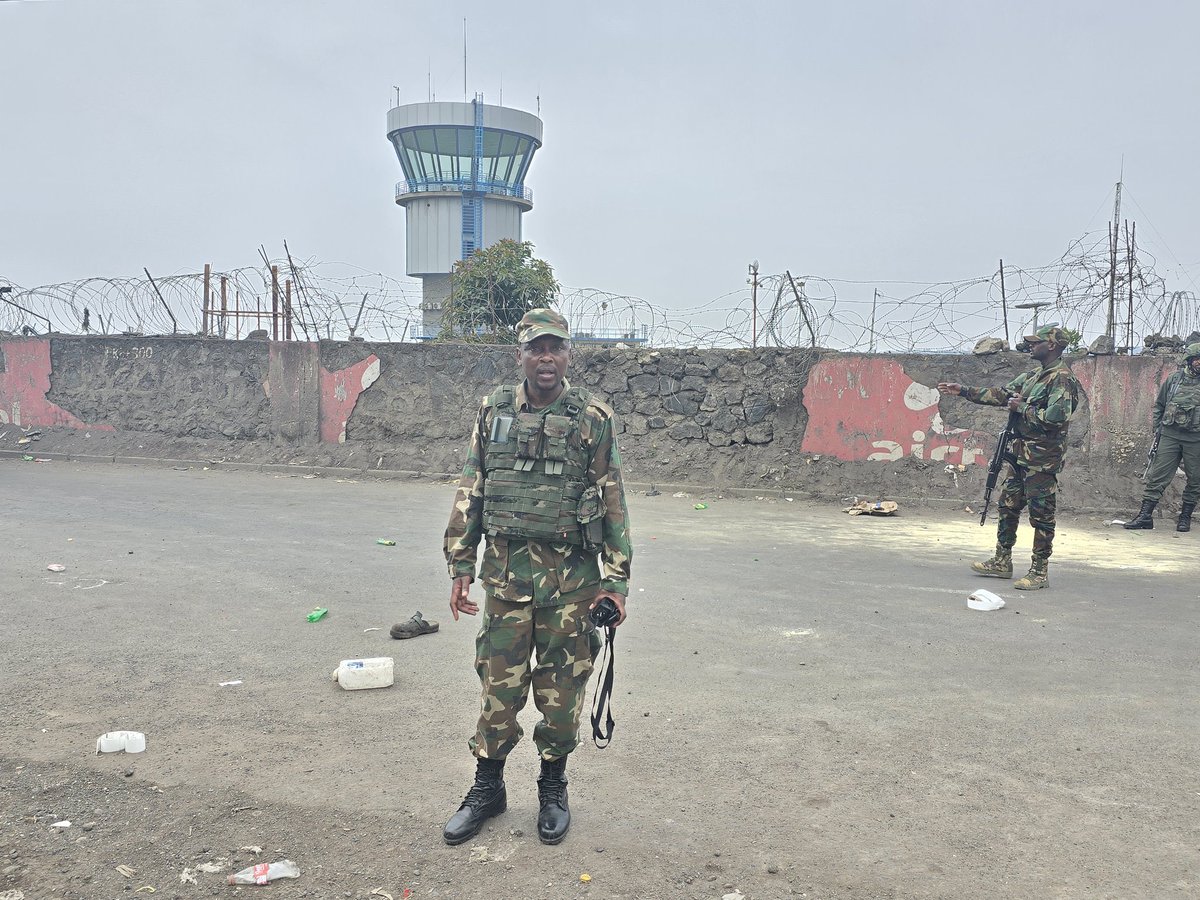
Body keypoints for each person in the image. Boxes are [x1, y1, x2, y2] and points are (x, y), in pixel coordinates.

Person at [441, 307, 632, 846]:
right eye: (535, 348)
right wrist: (459, 564)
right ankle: (488, 787)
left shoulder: (592, 418)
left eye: (555, 348)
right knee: (497, 690)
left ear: (569, 354)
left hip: (572, 585)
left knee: (561, 692)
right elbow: (472, 487)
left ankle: (552, 786)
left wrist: (615, 582)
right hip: (504, 579)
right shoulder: (493, 411)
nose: (545, 358)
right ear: (520, 355)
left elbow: (613, 501)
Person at [937, 324, 1082, 590]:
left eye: (1035, 342)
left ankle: (1039, 571)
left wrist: (1022, 407)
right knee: (1008, 506)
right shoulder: (1033, 376)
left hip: (1041, 459)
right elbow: (1001, 394)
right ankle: (1002, 561)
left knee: (1041, 514)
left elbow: (1055, 419)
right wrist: (964, 390)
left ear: (1051, 345)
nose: (1030, 346)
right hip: (1019, 455)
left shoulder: (1061, 378)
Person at [1123, 342, 1200, 533]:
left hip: (1196, 439)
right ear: (1189, 361)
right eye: (1197, 359)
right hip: (1170, 436)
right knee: (1157, 476)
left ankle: (1185, 517)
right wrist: (1158, 429)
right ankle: (1145, 516)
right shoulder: (1174, 381)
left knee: (1196, 479)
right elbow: (1159, 406)